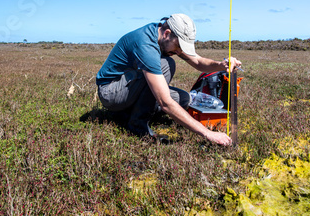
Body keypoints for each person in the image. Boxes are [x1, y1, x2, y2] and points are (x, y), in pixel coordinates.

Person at [96, 14, 242, 146]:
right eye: (178, 46)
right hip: (111, 92)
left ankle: (128, 114)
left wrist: (220, 65)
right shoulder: (146, 45)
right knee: (167, 64)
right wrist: (207, 133)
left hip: (129, 87)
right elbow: (165, 103)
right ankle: (137, 124)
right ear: (167, 34)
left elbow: (197, 61)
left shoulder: (165, 37)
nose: (179, 52)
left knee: (184, 99)